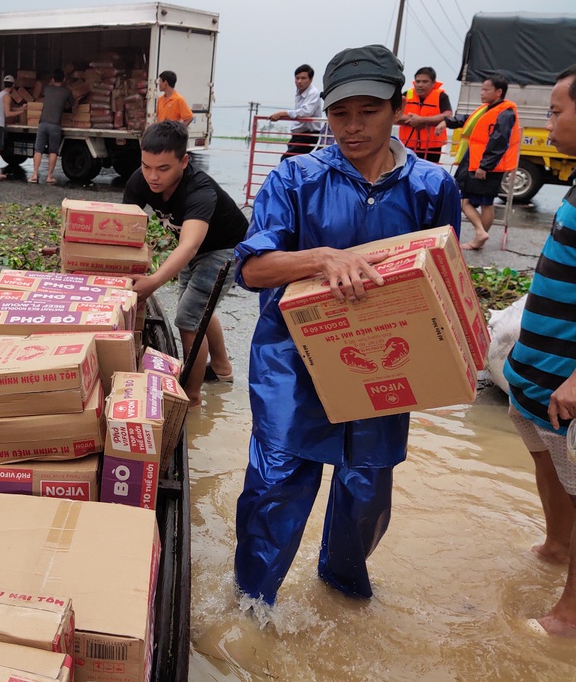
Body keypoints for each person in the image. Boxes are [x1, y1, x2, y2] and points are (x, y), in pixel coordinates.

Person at [233, 44, 461, 607]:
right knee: (277, 482)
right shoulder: (294, 178)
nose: (353, 128)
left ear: (397, 108)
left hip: (385, 361)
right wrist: (322, 258)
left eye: (369, 112)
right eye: (339, 114)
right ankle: (250, 606)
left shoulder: (432, 188)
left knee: (366, 489)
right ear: (325, 114)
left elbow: (444, 283)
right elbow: (254, 269)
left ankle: (341, 596)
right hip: (292, 360)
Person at [503, 63, 576, 637]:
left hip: (568, 381)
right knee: (545, 459)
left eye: (555, 110)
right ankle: (556, 545)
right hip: (537, 371)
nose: (546, 121)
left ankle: (569, 614)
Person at [122, 120, 249, 402]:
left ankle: (192, 398)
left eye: (163, 169)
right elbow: (123, 227)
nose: (152, 177)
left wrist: (153, 282)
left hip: (225, 250)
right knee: (197, 310)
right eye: (146, 166)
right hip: (193, 249)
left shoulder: (199, 191)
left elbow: (190, 245)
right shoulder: (139, 180)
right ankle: (222, 369)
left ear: (184, 161)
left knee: (188, 318)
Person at [448, 76, 521, 250]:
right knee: (479, 202)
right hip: (477, 163)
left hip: (486, 166)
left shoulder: (505, 113)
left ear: (498, 92)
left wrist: (485, 166)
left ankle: (480, 234)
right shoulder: (488, 109)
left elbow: (499, 140)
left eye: (486, 90)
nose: (482, 93)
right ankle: (479, 237)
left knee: (472, 202)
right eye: (482, 89)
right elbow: (467, 121)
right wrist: (446, 122)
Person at [395, 66, 453, 163]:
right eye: (418, 81)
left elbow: (448, 116)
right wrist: (411, 119)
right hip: (407, 145)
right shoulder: (406, 95)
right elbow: (393, 115)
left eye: (425, 82)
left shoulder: (441, 97)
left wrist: (421, 120)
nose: (420, 85)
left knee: (429, 173)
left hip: (432, 147)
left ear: (433, 83)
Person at [269, 64, 321, 160]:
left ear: (311, 79)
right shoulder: (299, 92)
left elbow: (306, 112)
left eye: (303, 78)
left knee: (286, 160)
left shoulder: (313, 92)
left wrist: (282, 114)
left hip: (308, 135)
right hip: (298, 135)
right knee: (295, 163)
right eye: (297, 78)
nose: (299, 81)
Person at [32, 69, 73, 184]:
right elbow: (73, 105)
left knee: (38, 149)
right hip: (55, 125)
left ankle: (34, 175)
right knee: (53, 151)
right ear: (64, 79)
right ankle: (49, 177)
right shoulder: (66, 92)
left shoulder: (47, 89)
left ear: (53, 79)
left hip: (42, 123)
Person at [0, 75, 23, 179]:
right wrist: (20, 112)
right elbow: (7, 113)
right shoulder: (7, 96)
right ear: (13, 85)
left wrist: (20, 108)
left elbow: (7, 108)